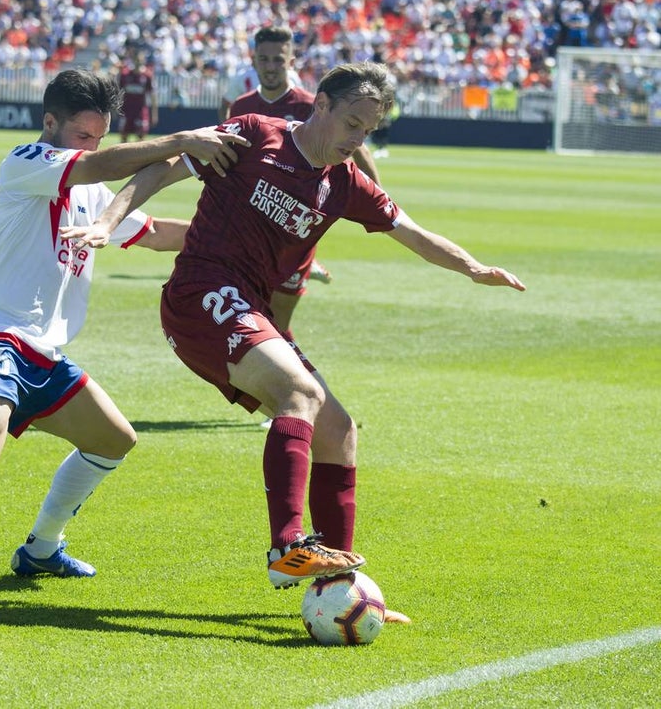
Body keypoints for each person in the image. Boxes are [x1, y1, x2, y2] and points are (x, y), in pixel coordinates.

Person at [101, 61, 525, 618]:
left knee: (339, 429)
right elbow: (161, 170)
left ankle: (341, 585)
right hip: (199, 292)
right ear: (320, 105)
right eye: (351, 123)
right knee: (299, 392)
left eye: (368, 131)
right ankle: (287, 548)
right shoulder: (254, 135)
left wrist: (473, 268)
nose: (357, 141)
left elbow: (412, 233)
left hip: (249, 308)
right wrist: (107, 221)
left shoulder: (343, 184)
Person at [0, 69, 246, 608]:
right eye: (84, 135)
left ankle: (41, 550)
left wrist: (234, 239)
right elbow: (101, 165)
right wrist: (182, 142)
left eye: (99, 136)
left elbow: (150, 232)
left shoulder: (91, 192)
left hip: (41, 348)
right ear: (50, 122)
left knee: (113, 440)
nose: (94, 146)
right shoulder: (25, 163)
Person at [227, 25, 386, 335]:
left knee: (277, 322)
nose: (271, 67)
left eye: (279, 59)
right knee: (246, 317)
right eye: (264, 59)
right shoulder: (242, 106)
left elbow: (358, 149)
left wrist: (379, 195)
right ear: (254, 60)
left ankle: (285, 375)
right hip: (249, 229)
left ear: (291, 61)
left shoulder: (310, 104)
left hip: (296, 231)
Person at [117, 53, 157, 142]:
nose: (138, 62)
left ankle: (140, 156)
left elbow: (153, 95)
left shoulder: (147, 75)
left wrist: (154, 114)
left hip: (140, 111)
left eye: (140, 60)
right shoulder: (125, 75)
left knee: (141, 136)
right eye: (136, 60)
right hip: (126, 110)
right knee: (124, 135)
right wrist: (116, 109)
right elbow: (118, 92)